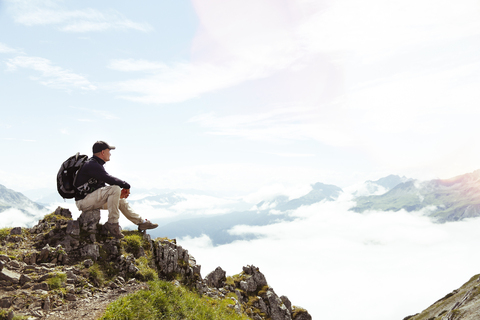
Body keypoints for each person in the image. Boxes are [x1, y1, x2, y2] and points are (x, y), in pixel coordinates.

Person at [74, 141, 158, 239]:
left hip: (90, 199)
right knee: (115, 189)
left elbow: (100, 186)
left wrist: (117, 195)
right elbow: (109, 179)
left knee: (120, 200)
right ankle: (112, 224)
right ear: (103, 152)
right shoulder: (92, 165)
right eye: (108, 151)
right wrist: (126, 185)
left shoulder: (96, 164)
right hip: (83, 201)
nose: (110, 153)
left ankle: (141, 222)